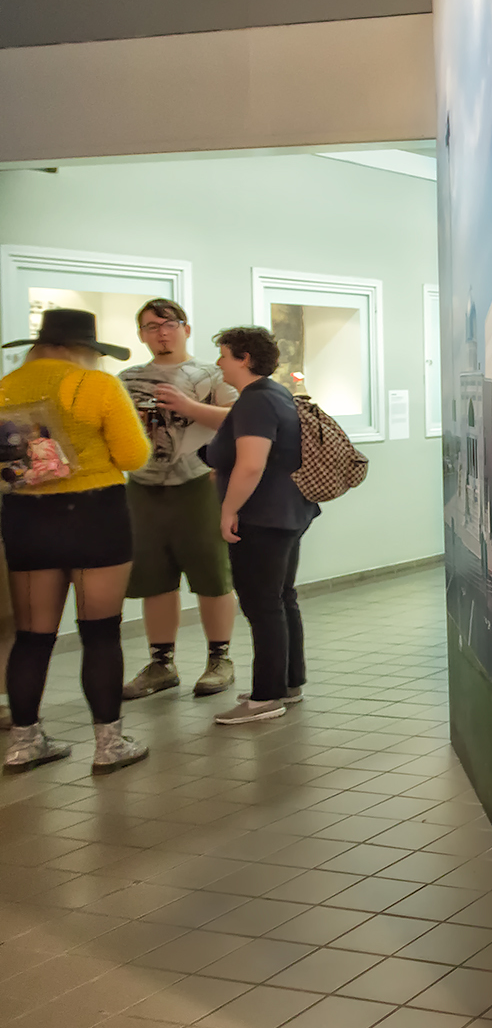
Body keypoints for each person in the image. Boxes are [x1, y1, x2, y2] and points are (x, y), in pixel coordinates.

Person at [0, 309, 151, 773]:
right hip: (94, 515)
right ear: (80, 348)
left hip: (27, 517)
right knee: (100, 632)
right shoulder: (96, 385)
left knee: (32, 636)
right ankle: (109, 745)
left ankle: (25, 743)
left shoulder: (5, 388)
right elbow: (133, 455)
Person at [119, 298, 238, 700]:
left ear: (186, 329)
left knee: (212, 574)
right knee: (153, 577)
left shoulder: (211, 374)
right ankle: (161, 663)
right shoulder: (127, 379)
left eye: (169, 324)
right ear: (141, 335)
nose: (161, 333)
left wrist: (188, 407)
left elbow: (238, 417)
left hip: (199, 483)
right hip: (143, 486)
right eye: (151, 327)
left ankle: (220, 659)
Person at [203, 326, 319, 726]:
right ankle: (287, 682)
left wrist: (228, 509)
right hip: (288, 512)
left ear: (244, 359)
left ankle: (266, 697)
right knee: (282, 597)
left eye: (224, 355)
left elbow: (251, 464)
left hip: (262, 517)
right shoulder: (277, 393)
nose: (219, 363)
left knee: (262, 603)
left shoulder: (255, 401)